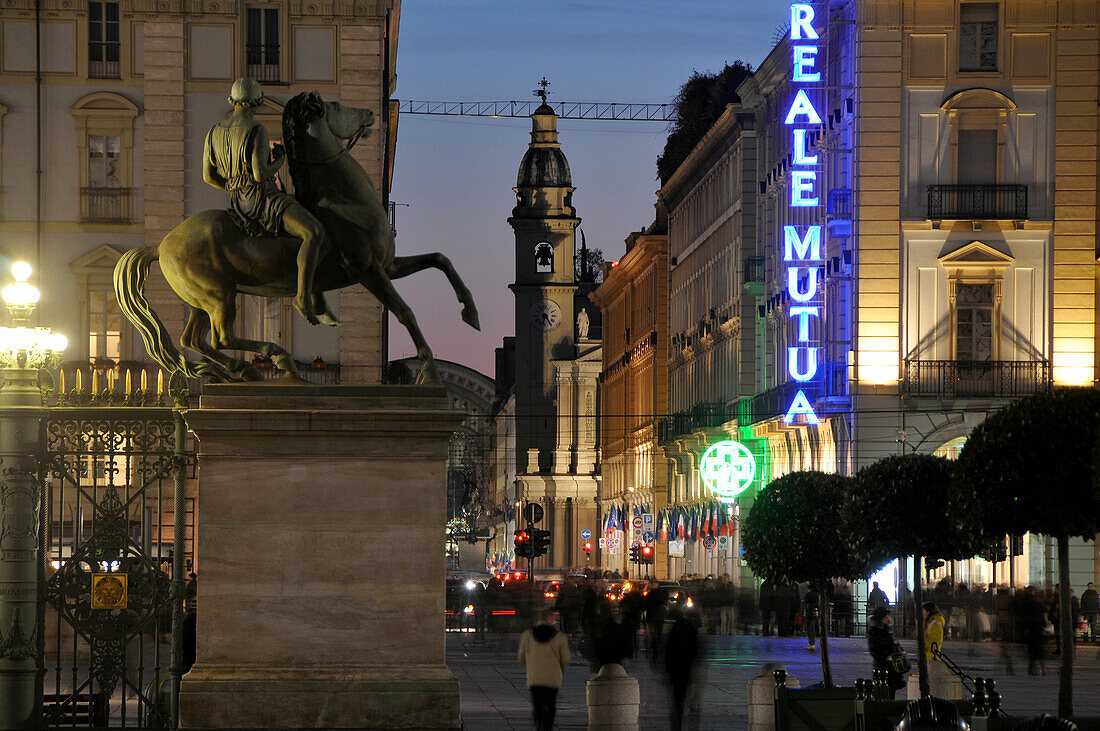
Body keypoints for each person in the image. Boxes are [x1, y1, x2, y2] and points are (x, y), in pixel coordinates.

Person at [203, 77, 328, 325]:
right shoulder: (256, 130)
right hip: (264, 201)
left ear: (232, 101)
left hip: (237, 203)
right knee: (314, 232)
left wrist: (230, 184)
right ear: (257, 103)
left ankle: (314, 293)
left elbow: (208, 176)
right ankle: (303, 296)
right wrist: (280, 159)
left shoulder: (213, 132)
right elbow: (261, 174)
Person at [518, 609, 570, 731]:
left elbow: (521, 657)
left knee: (537, 705)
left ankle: (539, 725)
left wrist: (531, 667)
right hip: (553, 678)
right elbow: (566, 659)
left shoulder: (528, 635)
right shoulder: (559, 637)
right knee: (550, 705)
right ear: (550, 620)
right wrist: (559, 669)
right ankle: (547, 727)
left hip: (535, 678)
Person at [664, 609, 699, 731]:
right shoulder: (692, 630)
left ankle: (677, 724)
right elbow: (696, 651)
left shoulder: (675, 629)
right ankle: (687, 720)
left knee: (677, 700)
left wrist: (668, 669)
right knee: (684, 698)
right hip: (686, 670)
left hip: (675, 671)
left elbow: (668, 651)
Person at [867, 607, 905, 698]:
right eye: (885, 616)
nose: (888, 618)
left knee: (891, 691)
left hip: (892, 667)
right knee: (884, 691)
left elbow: (894, 645)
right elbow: (874, 651)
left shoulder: (887, 630)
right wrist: (886, 658)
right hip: (883, 667)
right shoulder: (875, 632)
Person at [804, 585, 820, 651]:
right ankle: (812, 643)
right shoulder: (816, 595)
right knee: (812, 627)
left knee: (809, 628)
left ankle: (811, 643)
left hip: (810, 612)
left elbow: (806, 601)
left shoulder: (808, 595)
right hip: (815, 612)